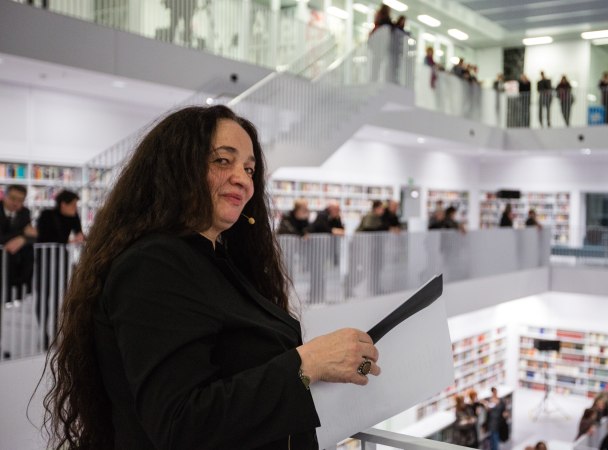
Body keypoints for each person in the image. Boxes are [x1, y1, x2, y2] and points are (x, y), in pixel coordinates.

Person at [44, 105, 382, 449]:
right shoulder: (153, 264)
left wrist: (321, 366)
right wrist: (308, 362)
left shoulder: (217, 259)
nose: (243, 179)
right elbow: (180, 423)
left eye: (249, 169)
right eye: (223, 161)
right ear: (176, 167)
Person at [35, 190, 85, 347]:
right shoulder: (47, 215)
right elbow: (43, 237)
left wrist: (79, 237)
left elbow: (79, 233)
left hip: (61, 258)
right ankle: (43, 332)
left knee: (60, 295)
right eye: (73, 205)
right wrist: (69, 241)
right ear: (63, 204)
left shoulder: (73, 216)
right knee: (44, 296)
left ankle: (56, 331)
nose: (75, 208)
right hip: (45, 258)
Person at [0, 184, 36, 302]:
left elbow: (34, 236)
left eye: (20, 200)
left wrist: (23, 239)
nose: (15, 203)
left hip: (16, 267)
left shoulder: (25, 212)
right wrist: (22, 234)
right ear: (4, 196)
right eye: (12, 198)